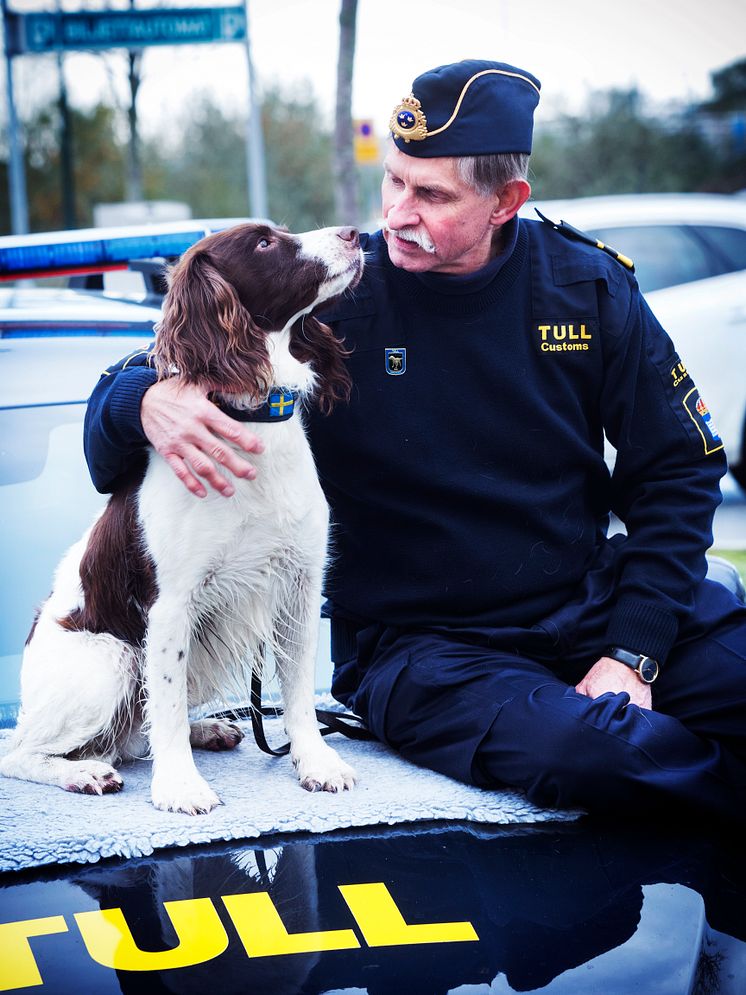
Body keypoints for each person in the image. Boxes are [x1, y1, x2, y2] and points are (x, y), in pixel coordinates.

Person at [84, 60, 746, 825]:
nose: (398, 212)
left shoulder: (586, 288)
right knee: (593, 752)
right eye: (394, 181)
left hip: (588, 607)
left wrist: (633, 652)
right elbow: (115, 430)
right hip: (425, 654)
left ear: (508, 202)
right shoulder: (335, 291)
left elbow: (678, 472)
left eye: (431, 195)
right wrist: (144, 400)